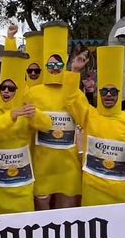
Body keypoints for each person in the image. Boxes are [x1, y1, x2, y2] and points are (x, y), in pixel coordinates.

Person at [0, 50, 51, 215]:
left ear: (17, 91)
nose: (6, 91)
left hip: (21, 180)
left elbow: (47, 125)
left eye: (11, 89)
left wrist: (35, 115)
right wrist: (10, 116)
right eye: (3, 87)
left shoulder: (25, 112)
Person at [64, 45, 125, 206]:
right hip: (93, 193)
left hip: (123, 195)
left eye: (113, 92)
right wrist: (74, 70)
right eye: (104, 91)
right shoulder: (89, 115)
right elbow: (71, 97)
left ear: (119, 94)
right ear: (98, 93)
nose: (109, 95)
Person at [25, 22, 82, 210]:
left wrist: (73, 74)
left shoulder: (74, 91)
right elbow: (28, 125)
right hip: (43, 163)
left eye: (58, 63)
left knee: (67, 216)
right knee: (42, 216)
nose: (55, 67)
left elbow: (83, 118)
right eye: (51, 63)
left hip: (68, 165)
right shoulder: (34, 92)